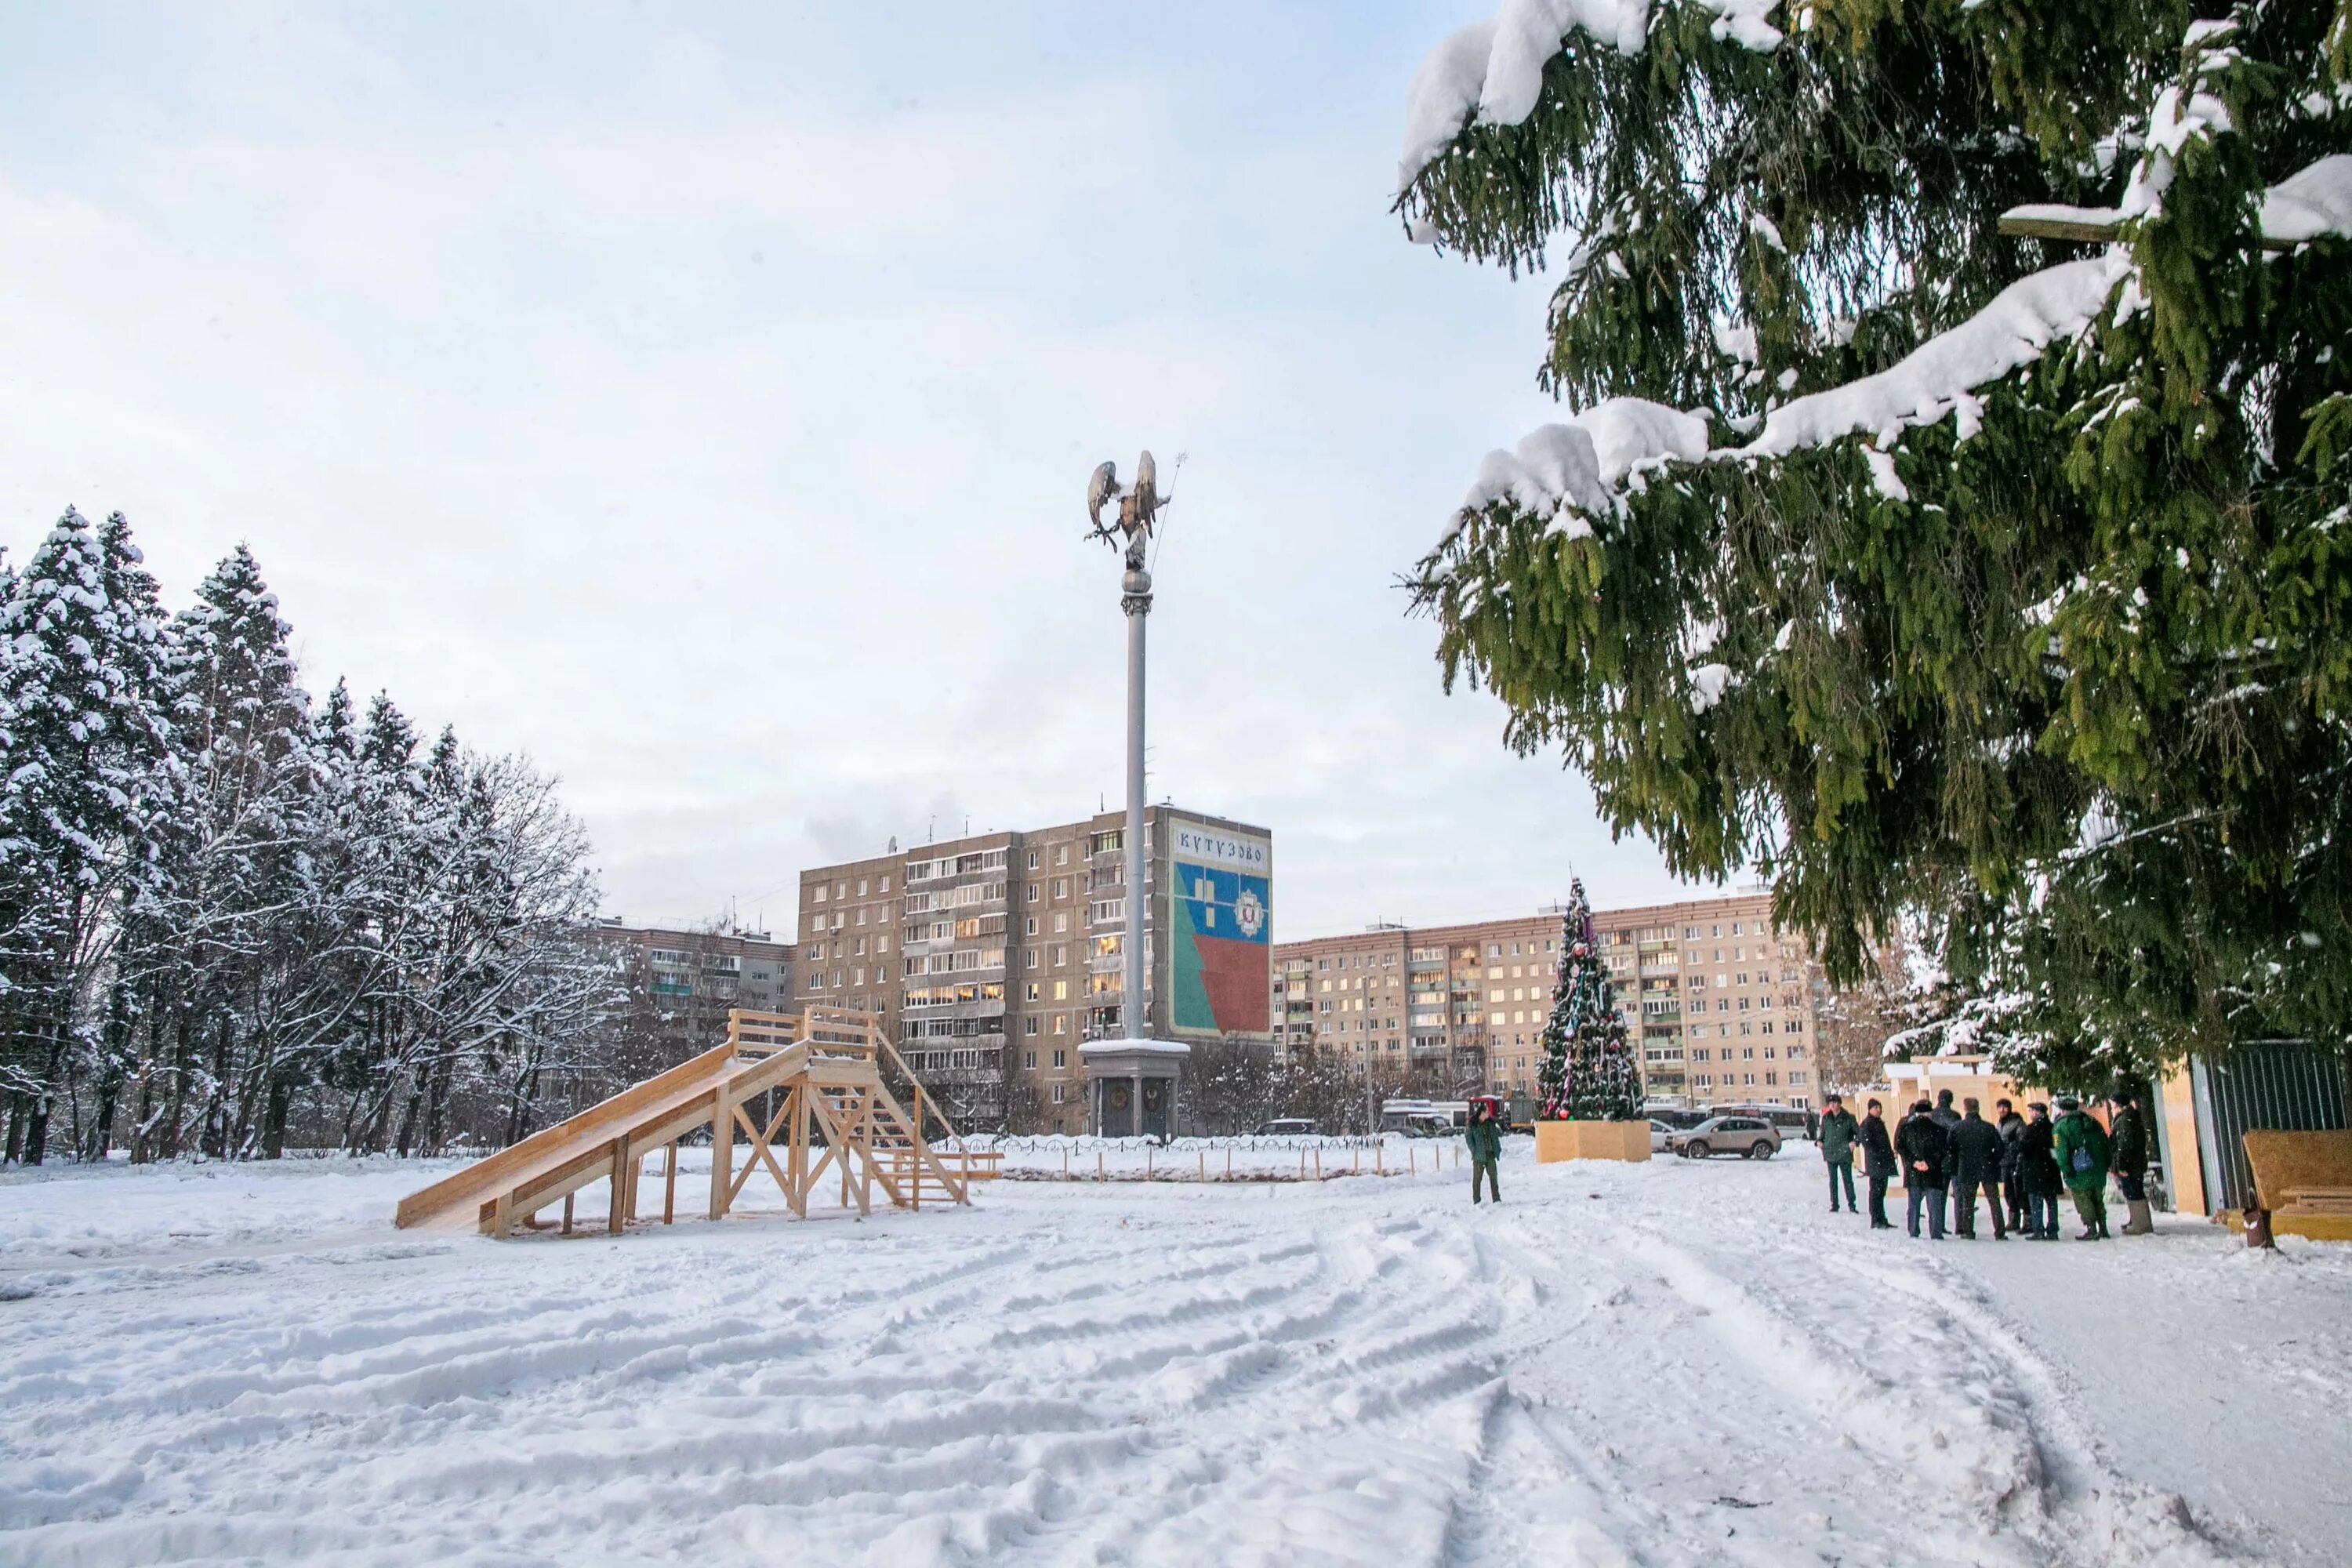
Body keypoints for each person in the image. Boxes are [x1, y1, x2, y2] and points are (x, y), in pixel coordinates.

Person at [2053, 1094, 2112, 1240]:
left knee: (2083, 1199)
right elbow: (2105, 1143)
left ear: (2061, 1110)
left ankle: (2091, 1229)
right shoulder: (2093, 1122)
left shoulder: (2060, 1127)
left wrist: (2066, 1169)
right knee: (2098, 1198)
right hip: (2097, 1167)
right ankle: (2103, 1228)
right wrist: (2106, 1163)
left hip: (2078, 1169)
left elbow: (2061, 1151)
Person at [1950, 1098, 2008, 1240]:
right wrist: (1992, 1160)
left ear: (1965, 1109)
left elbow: (1951, 1149)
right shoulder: (1988, 1127)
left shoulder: (1958, 1128)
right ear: (1978, 1108)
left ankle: (1968, 1231)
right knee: (1994, 1201)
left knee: (1968, 1201)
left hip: (1966, 1167)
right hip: (1986, 1166)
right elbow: (2000, 1148)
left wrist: (1959, 1161)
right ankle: (2000, 1231)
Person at [1895, 1097, 1949, 1239]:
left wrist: (1914, 1162)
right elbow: (1943, 1150)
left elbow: (1901, 1147)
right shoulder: (1939, 1130)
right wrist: (1929, 1163)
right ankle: (1936, 1232)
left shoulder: (1906, 1129)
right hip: (1933, 1173)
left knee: (1914, 1204)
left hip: (1913, 1173)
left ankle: (1913, 1230)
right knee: (1934, 1206)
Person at [2110, 1088, 2154, 1235]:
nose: (2112, 1108)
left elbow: (2125, 1145)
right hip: (2135, 1163)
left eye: (2113, 1105)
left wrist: (2122, 1165)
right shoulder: (2130, 1117)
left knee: (2133, 1193)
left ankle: (2140, 1225)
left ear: (2119, 1105)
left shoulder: (2125, 1120)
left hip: (2130, 1165)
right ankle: (2137, 1220)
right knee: (2135, 1192)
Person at [2019, 1102, 2062, 1239]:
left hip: (2034, 1169)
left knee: (2036, 1202)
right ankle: (2053, 1229)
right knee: (2051, 1201)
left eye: (2031, 1111)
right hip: (2050, 1169)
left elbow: (2023, 1148)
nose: (2030, 1114)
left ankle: (2038, 1230)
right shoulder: (2053, 1128)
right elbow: (2056, 1148)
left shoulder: (2031, 1129)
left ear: (2037, 1112)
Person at [1818, 1094, 1859, 1213]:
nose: (1832, 1105)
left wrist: (1854, 1142)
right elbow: (1823, 1134)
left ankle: (1852, 1204)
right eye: (1830, 1104)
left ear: (1840, 1104)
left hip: (1844, 1153)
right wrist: (1820, 1141)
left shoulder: (1848, 1117)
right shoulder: (1826, 1118)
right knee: (1833, 1180)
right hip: (1830, 1152)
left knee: (1847, 1180)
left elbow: (1859, 1133)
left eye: (1835, 1103)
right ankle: (1834, 1204)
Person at [1860, 1098, 1895, 1229]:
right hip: (1876, 1164)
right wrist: (1880, 1154)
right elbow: (1868, 1144)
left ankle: (1881, 1218)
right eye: (1875, 1108)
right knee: (1876, 1192)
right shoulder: (1867, 1124)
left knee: (1881, 1192)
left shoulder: (1878, 1123)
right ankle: (1876, 1219)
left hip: (1882, 1163)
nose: (1878, 1110)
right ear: (1870, 1109)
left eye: (1879, 1107)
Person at [1995, 1098, 2027, 1236]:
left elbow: (2022, 1144)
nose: (2002, 1110)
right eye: (2000, 1107)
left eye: (2005, 1107)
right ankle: (2013, 1221)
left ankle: (2028, 1222)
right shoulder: (1999, 1124)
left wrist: (2018, 1160)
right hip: (2004, 1163)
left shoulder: (2017, 1123)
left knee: (2020, 1193)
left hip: (2015, 1163)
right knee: (2009, 1194)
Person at [1466, 1098, 1503, 1205]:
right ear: (1481, 1114)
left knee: (1494, 1177)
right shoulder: (1473, 1125)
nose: (1488, 1113)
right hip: (1479, 1156)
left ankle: (1496, 1199)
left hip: (1490, 1154)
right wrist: (1474, 1150)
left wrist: (1497, 1148)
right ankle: (1476, 1200)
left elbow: (1495, 1137)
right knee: (1477, 1179)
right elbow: (1469, 1138)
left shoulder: (1490, 1124)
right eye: (1486, 1112)